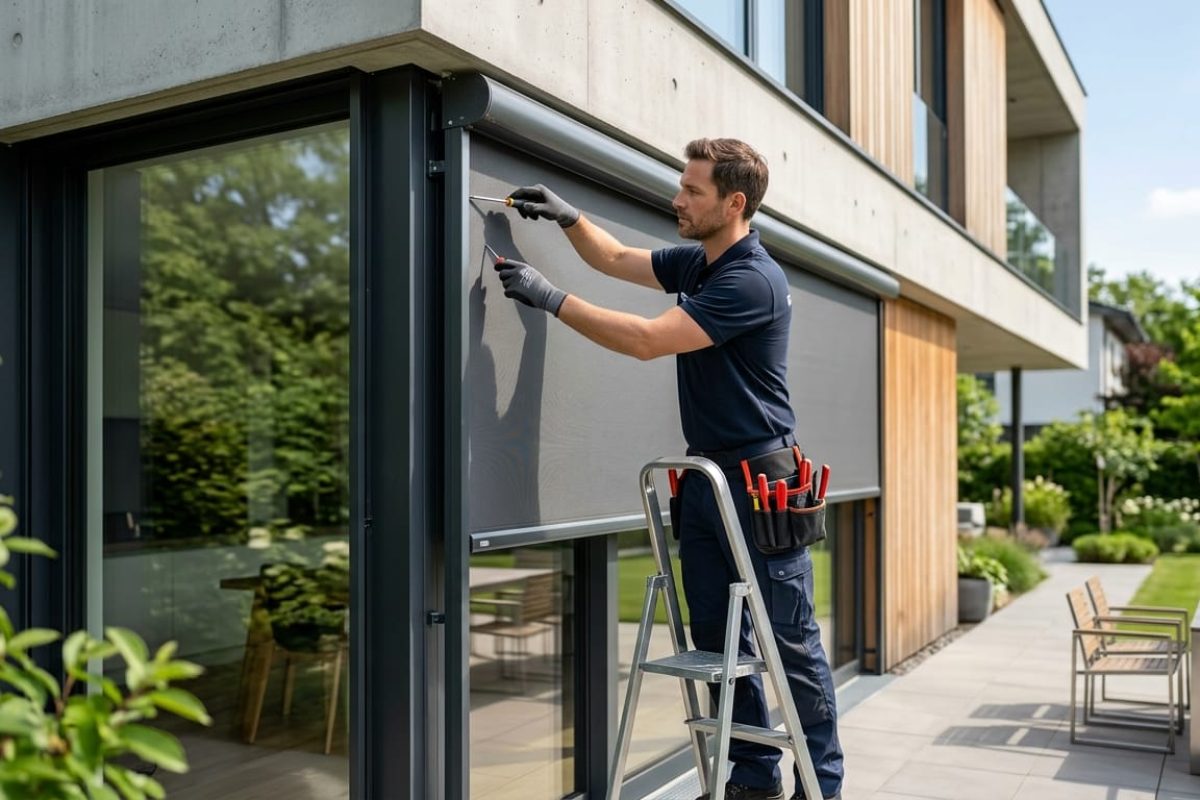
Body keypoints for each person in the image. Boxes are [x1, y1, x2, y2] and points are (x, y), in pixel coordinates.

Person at [494, 138, 843, 800]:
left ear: (733, 203)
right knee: (717, 640)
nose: (677, 199)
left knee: (790, 642)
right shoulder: (701, 263)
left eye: (692, 190)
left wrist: (549, 297)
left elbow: (647, 341)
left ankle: (822, 786)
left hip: (761, 482)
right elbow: (616, 258)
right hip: (706, 480)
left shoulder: (751, 279)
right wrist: (569, 218)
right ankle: (753, 776)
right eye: (681, 186)